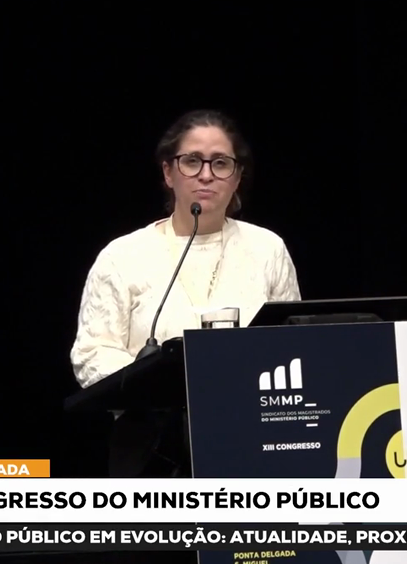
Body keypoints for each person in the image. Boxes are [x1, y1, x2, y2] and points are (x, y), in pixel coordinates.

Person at [70, 109, 302, 389]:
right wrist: (163, 385)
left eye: (220, 163)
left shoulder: (267, 249)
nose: (206, 175)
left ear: (237, 177)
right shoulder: (122, 256)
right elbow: (92, 353)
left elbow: (293, 344)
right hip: (154, 411)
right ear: (168, 172)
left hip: (250, 407)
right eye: (192, 161)